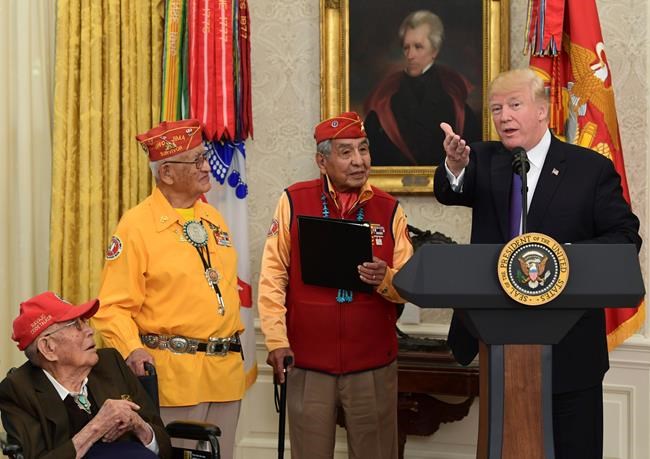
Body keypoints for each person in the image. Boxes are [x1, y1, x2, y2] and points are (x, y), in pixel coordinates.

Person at [434, 68, 641, 458]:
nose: (504, 116)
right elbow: (450, 191)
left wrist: (563, 257)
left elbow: (625, 237)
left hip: (570, 346)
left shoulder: (589, 168)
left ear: (543, 110)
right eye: (496, 108)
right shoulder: (483, 158)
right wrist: (455, 166)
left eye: (515, 105)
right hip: (497, 342)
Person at [257, 111, 413, 459]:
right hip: (308, 362)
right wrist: (276, 340)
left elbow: (409, 284)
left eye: (364, 149)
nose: (359, 161)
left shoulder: (389, 209)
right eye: (346, 152)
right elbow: (272, 276)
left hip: (372, 364)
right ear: (321, 161)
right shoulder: (294, 200)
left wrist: (385, 279)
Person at [92, 119, 245, 459]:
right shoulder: (136, 226)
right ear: (167, 173)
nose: (206, 166)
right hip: (174, 379)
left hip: (225, 376)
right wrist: (132, 349)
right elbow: (111, 307)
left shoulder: (213, 219)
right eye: (197, 160)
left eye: (204, 156)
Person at [0, 291, 172, 459]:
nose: (90, 330)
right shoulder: (19, 391)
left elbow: (165, 445)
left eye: (84, 322)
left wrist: (139, 425)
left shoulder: (111, 363)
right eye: (75, 325)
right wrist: (96, 427)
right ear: (48, 348)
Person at [364, 10, 481, 167]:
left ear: (435, 51)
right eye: (406, 47)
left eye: (418, 47)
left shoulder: (453, 99)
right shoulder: (386, 98)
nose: (410, 55)